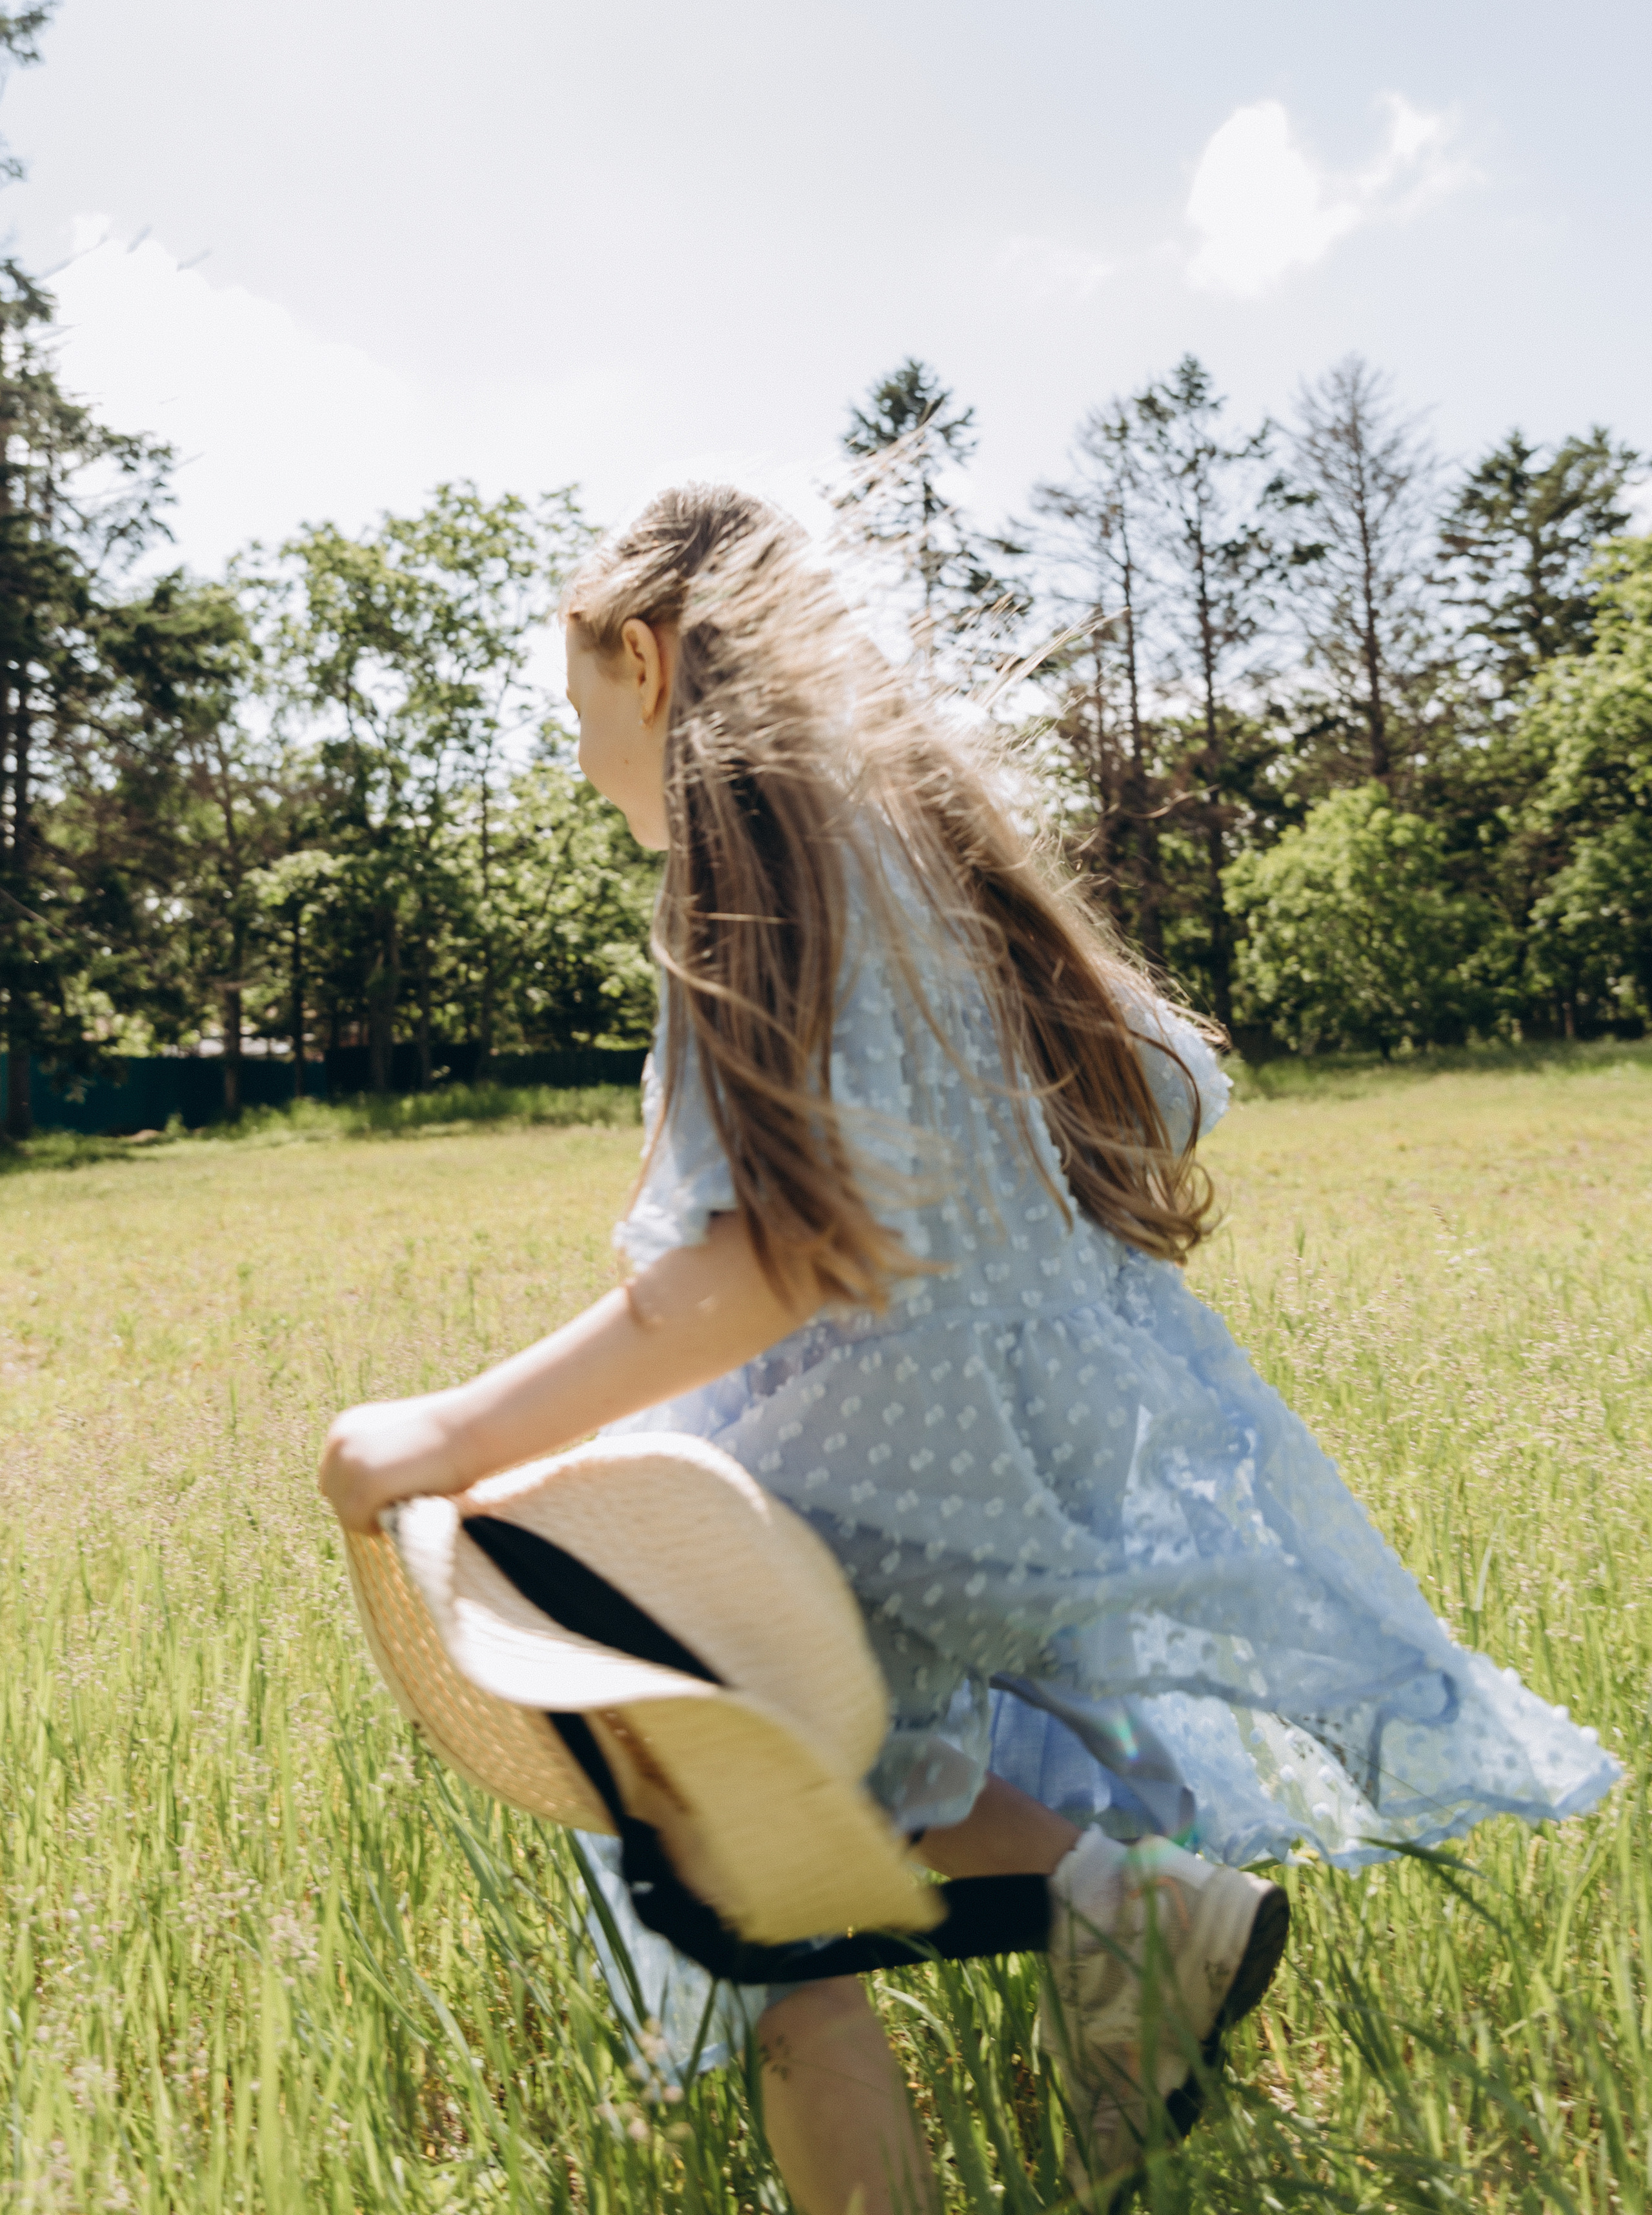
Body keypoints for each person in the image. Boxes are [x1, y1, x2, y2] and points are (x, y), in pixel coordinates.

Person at [320, 485, 1617, 2215]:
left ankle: (1120, 1915)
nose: (578, 766)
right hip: (1028, 1434)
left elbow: (765, 1264)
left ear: (646, 658)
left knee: (743, 1868)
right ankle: (1115, 1933)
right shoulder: (928, 857)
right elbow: (1162, 1078)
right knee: (822, 1810)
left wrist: (450, 1436)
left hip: (879, 1443)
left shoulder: (756, 886)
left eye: (580, 717)